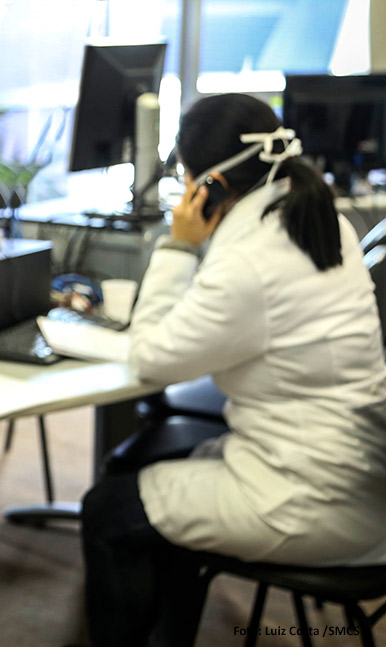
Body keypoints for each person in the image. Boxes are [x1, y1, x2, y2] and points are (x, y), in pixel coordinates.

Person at [80, 93, 386, 647]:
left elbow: (150, 357)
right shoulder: (317, 218)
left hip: (306, 498)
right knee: (149, 465)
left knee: (107, 511)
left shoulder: (249, 262)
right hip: (354, 476)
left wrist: (176, 247)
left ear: (211, 187)